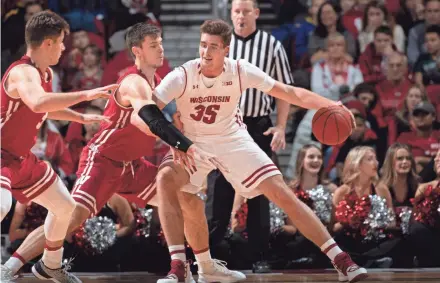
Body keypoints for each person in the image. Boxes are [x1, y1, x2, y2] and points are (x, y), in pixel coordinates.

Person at [1, 22, 229, 283]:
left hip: (132, 165)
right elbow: (148, 119)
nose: (161, 49)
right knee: (70, 215)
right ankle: (11, 265)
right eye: (154, 45)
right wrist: (181, 144)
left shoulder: (157, 85)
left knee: (188, 200)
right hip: (103, 160)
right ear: (138, 51)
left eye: (162, 43)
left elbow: (142, 124)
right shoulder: (133, 81)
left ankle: (195, 266)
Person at [154, 19, 368, 283]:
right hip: (192, 142)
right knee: (167, 181)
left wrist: (332, 105)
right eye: (202, 45)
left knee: (282, 193)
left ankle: (341, 260)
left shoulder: (240, 71)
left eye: (213, 47)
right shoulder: (183, 75)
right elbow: (149, 109)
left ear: (227, 50)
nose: (206, 53)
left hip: (232, 139)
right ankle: (181, 267)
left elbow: (289, 92)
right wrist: (174, 140)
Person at [1, 10, 116, 283]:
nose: (64, 48)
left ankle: (50, 265)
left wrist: (80, 116)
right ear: (48, 43)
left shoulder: (45, 74)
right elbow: (39, 103)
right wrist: (87, 94)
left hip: (21, 159)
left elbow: (44, 109)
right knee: (2, 204)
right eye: (62, 42)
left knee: (65, 206)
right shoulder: (22, 72)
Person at [207, 0, 293, 272]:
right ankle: (210, 255)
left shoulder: (272, 45)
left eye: (246, 11)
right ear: (230, 14)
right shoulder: (220, 45)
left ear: (256, 13)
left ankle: (260, 255)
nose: (241, 16)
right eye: (236, 11)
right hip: (224, 125)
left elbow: (285, 90)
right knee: (218, 191)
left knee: (260, 190)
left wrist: (280, 126)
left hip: (257, 125)